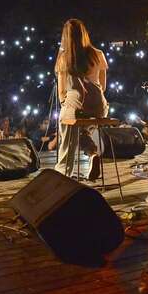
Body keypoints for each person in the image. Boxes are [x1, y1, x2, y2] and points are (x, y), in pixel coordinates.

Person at [54, 18, 108, 180]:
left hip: (77, 106)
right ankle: (92, 154)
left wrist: (66, 104)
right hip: (100, 107)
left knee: (66, 121)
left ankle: (63, 173)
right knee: (80, 128)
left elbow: (62, 91)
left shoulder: (64, 58)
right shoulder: (98, 54)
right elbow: (103, 87)